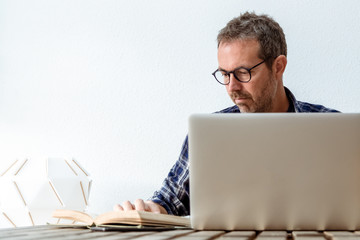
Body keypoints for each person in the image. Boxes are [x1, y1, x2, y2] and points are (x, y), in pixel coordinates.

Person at [113, 12, 339, 216]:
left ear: (278, 66)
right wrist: (151, 210)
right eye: (225, 74)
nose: (232, 87)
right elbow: (171, 200)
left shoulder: (334, 130)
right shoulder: (210, 133)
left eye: (243, 73)